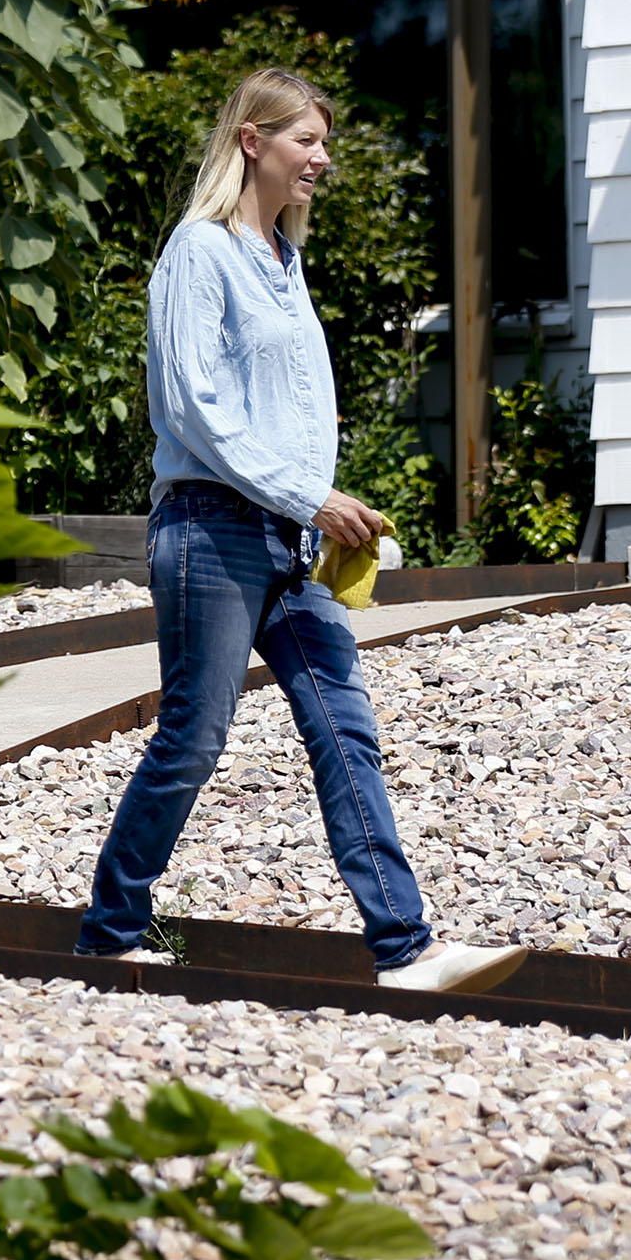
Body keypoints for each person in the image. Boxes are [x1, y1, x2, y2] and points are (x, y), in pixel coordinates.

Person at [74, 67, 527, 995]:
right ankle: (108, 932)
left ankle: (406, 950)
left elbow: (284, 411)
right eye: (306, 141)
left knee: (344, 731)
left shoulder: (285, 261)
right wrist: (308, 495)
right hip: (210, 531)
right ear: (253, 141)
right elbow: (195, 409)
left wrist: (322, 504)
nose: (322, 159)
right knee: (194, 739)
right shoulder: (198, 254)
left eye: (324, 143)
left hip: (286, 538)